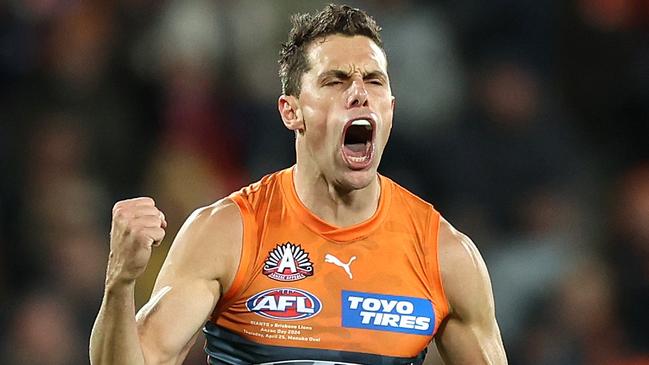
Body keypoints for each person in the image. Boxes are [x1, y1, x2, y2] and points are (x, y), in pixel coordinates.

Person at [90, 4, 507, 364]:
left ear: (390, 110)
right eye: (335, 80)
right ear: (292, 112)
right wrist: (120, 281)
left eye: (374, 81)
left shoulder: (443, 254)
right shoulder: (228, 233)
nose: (359, 94)